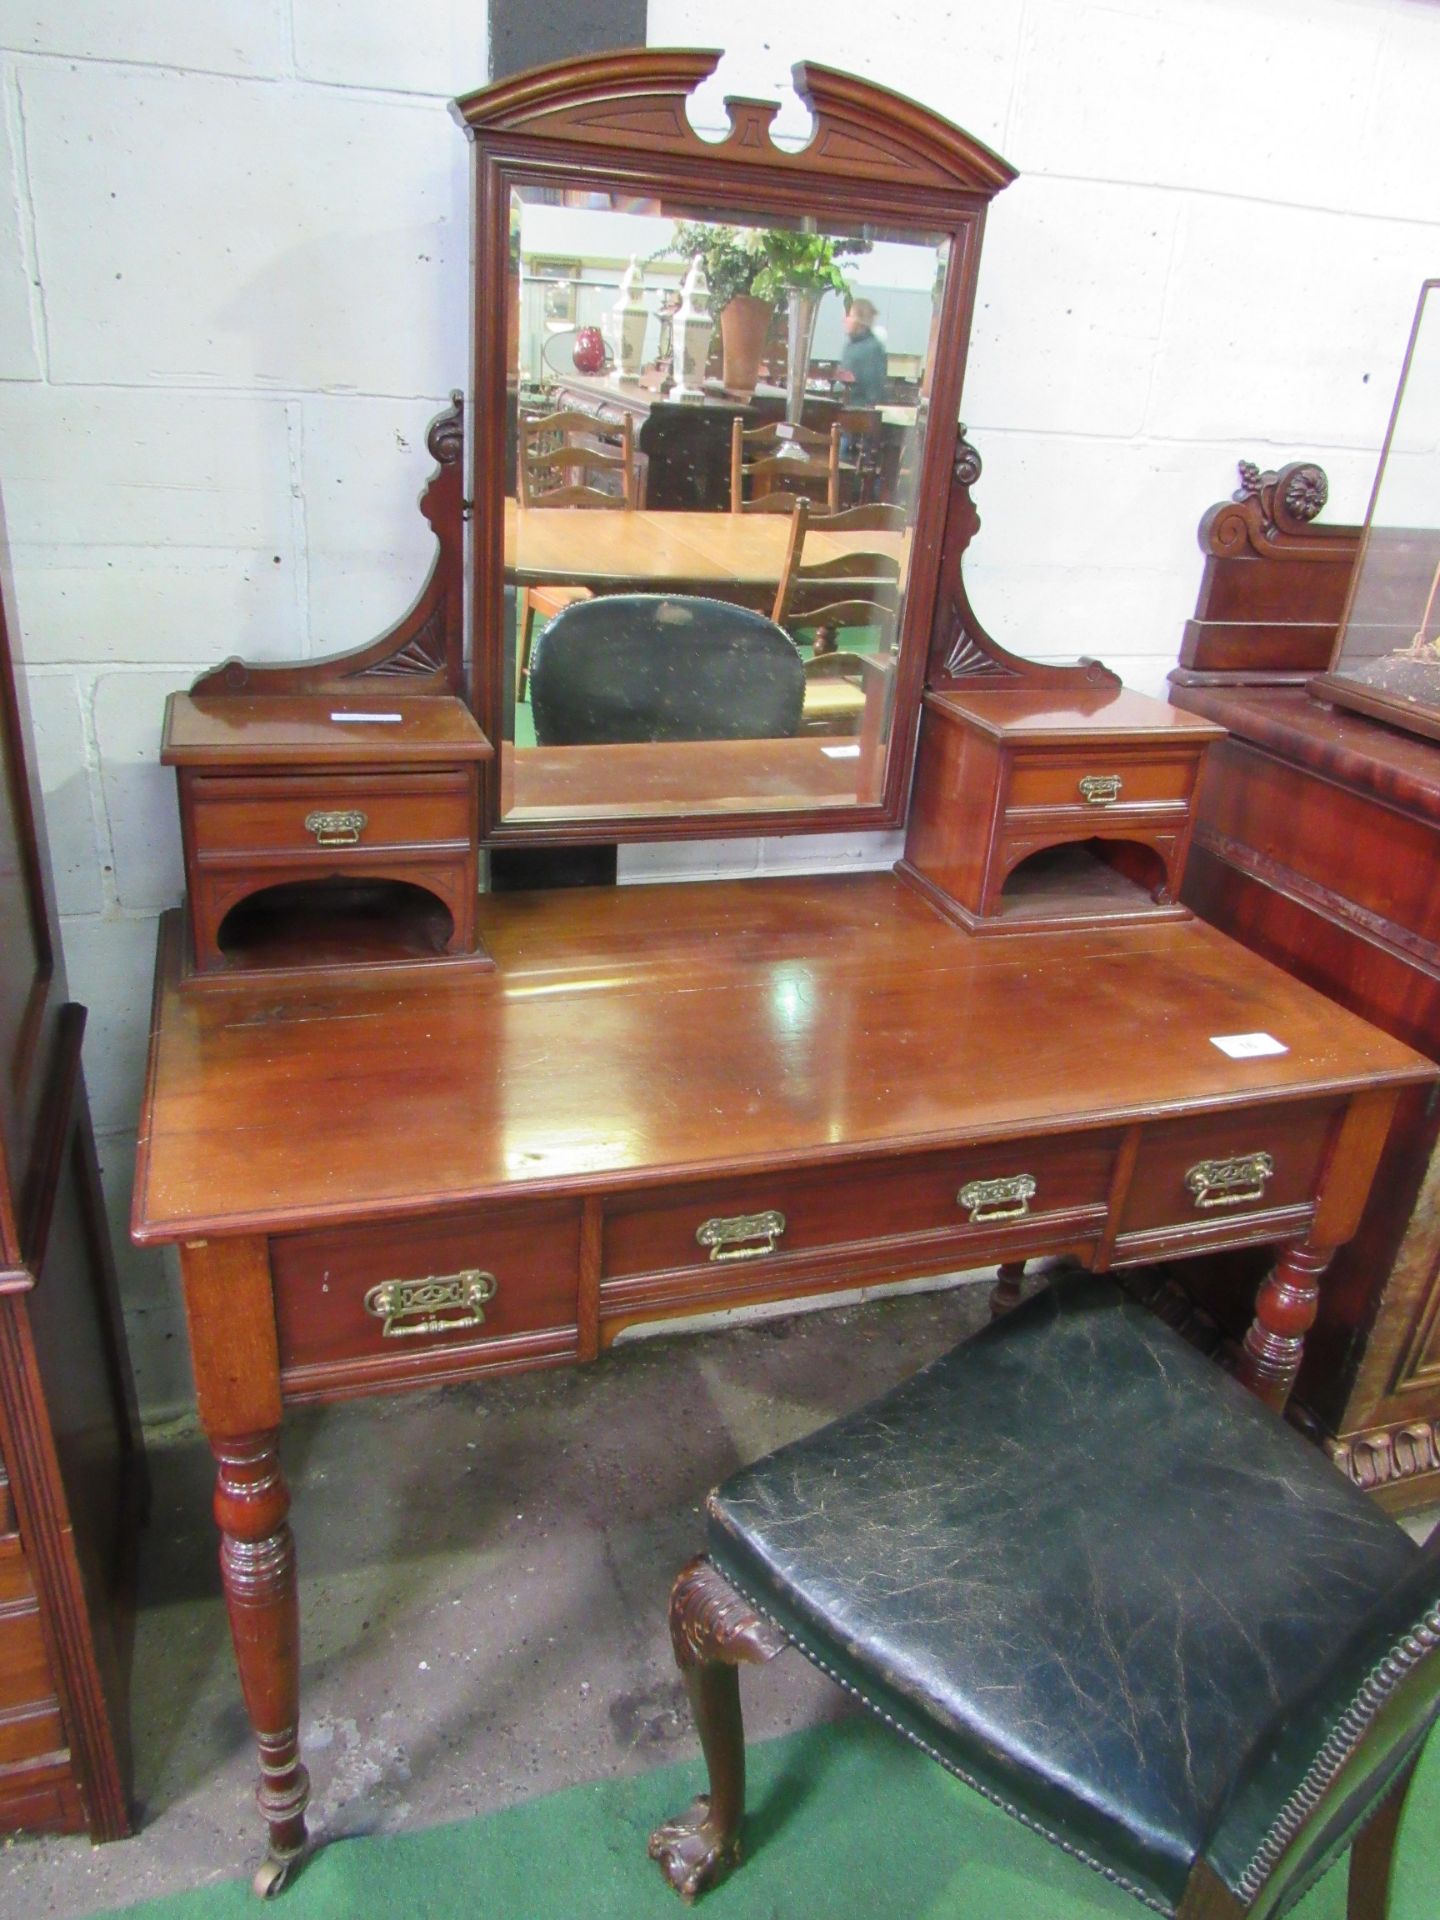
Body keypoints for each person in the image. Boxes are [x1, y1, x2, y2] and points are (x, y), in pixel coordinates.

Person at [838, 298, 887, 406]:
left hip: (857, 413)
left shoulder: (872, 349)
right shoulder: (850, 345)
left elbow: (872, 389)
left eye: (849, 315)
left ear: (859, 320)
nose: (845, 320)